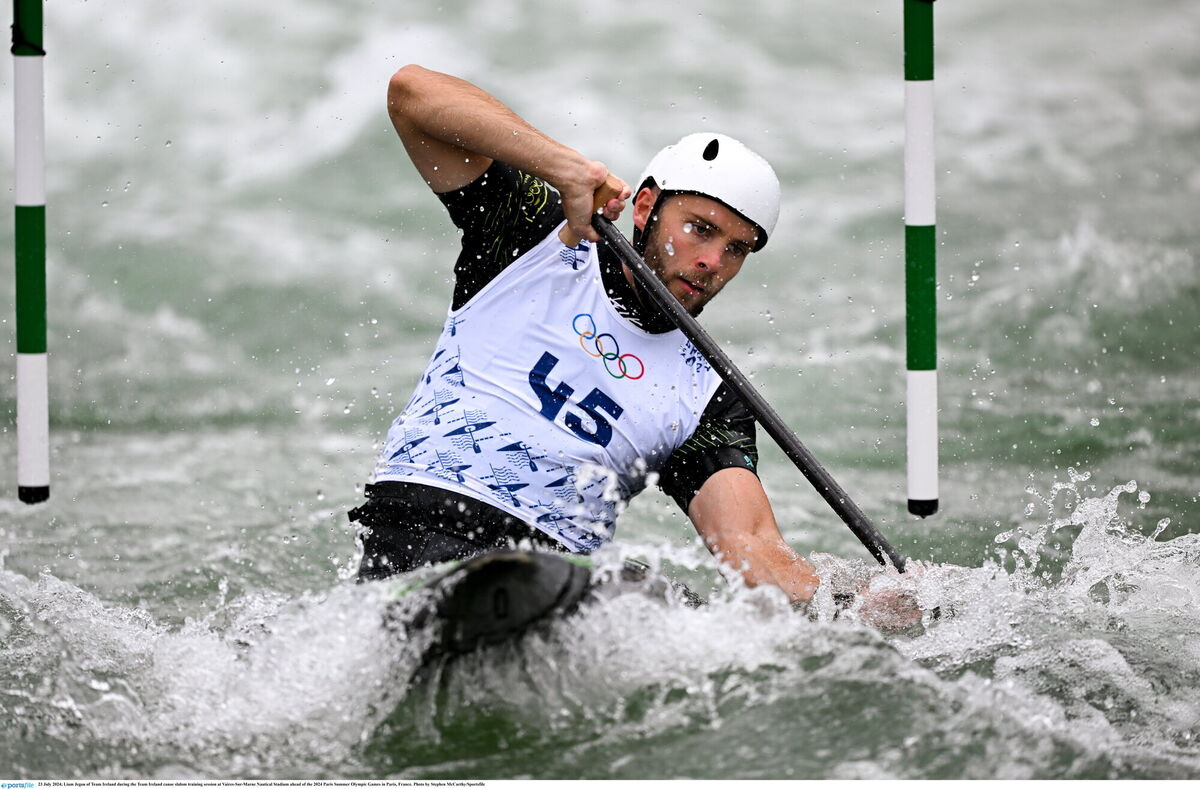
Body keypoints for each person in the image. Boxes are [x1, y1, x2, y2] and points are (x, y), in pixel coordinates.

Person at [349, 64, 896, 615]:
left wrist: (875, 601)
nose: (712, 262)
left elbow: (755, 552)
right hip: (414, 541)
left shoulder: (707, 396)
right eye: (700, 228)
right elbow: (411, 94)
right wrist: (565, 170)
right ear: (643, 207)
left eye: (736, 249)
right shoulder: (531, 233)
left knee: (658, 598)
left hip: (551, 585)